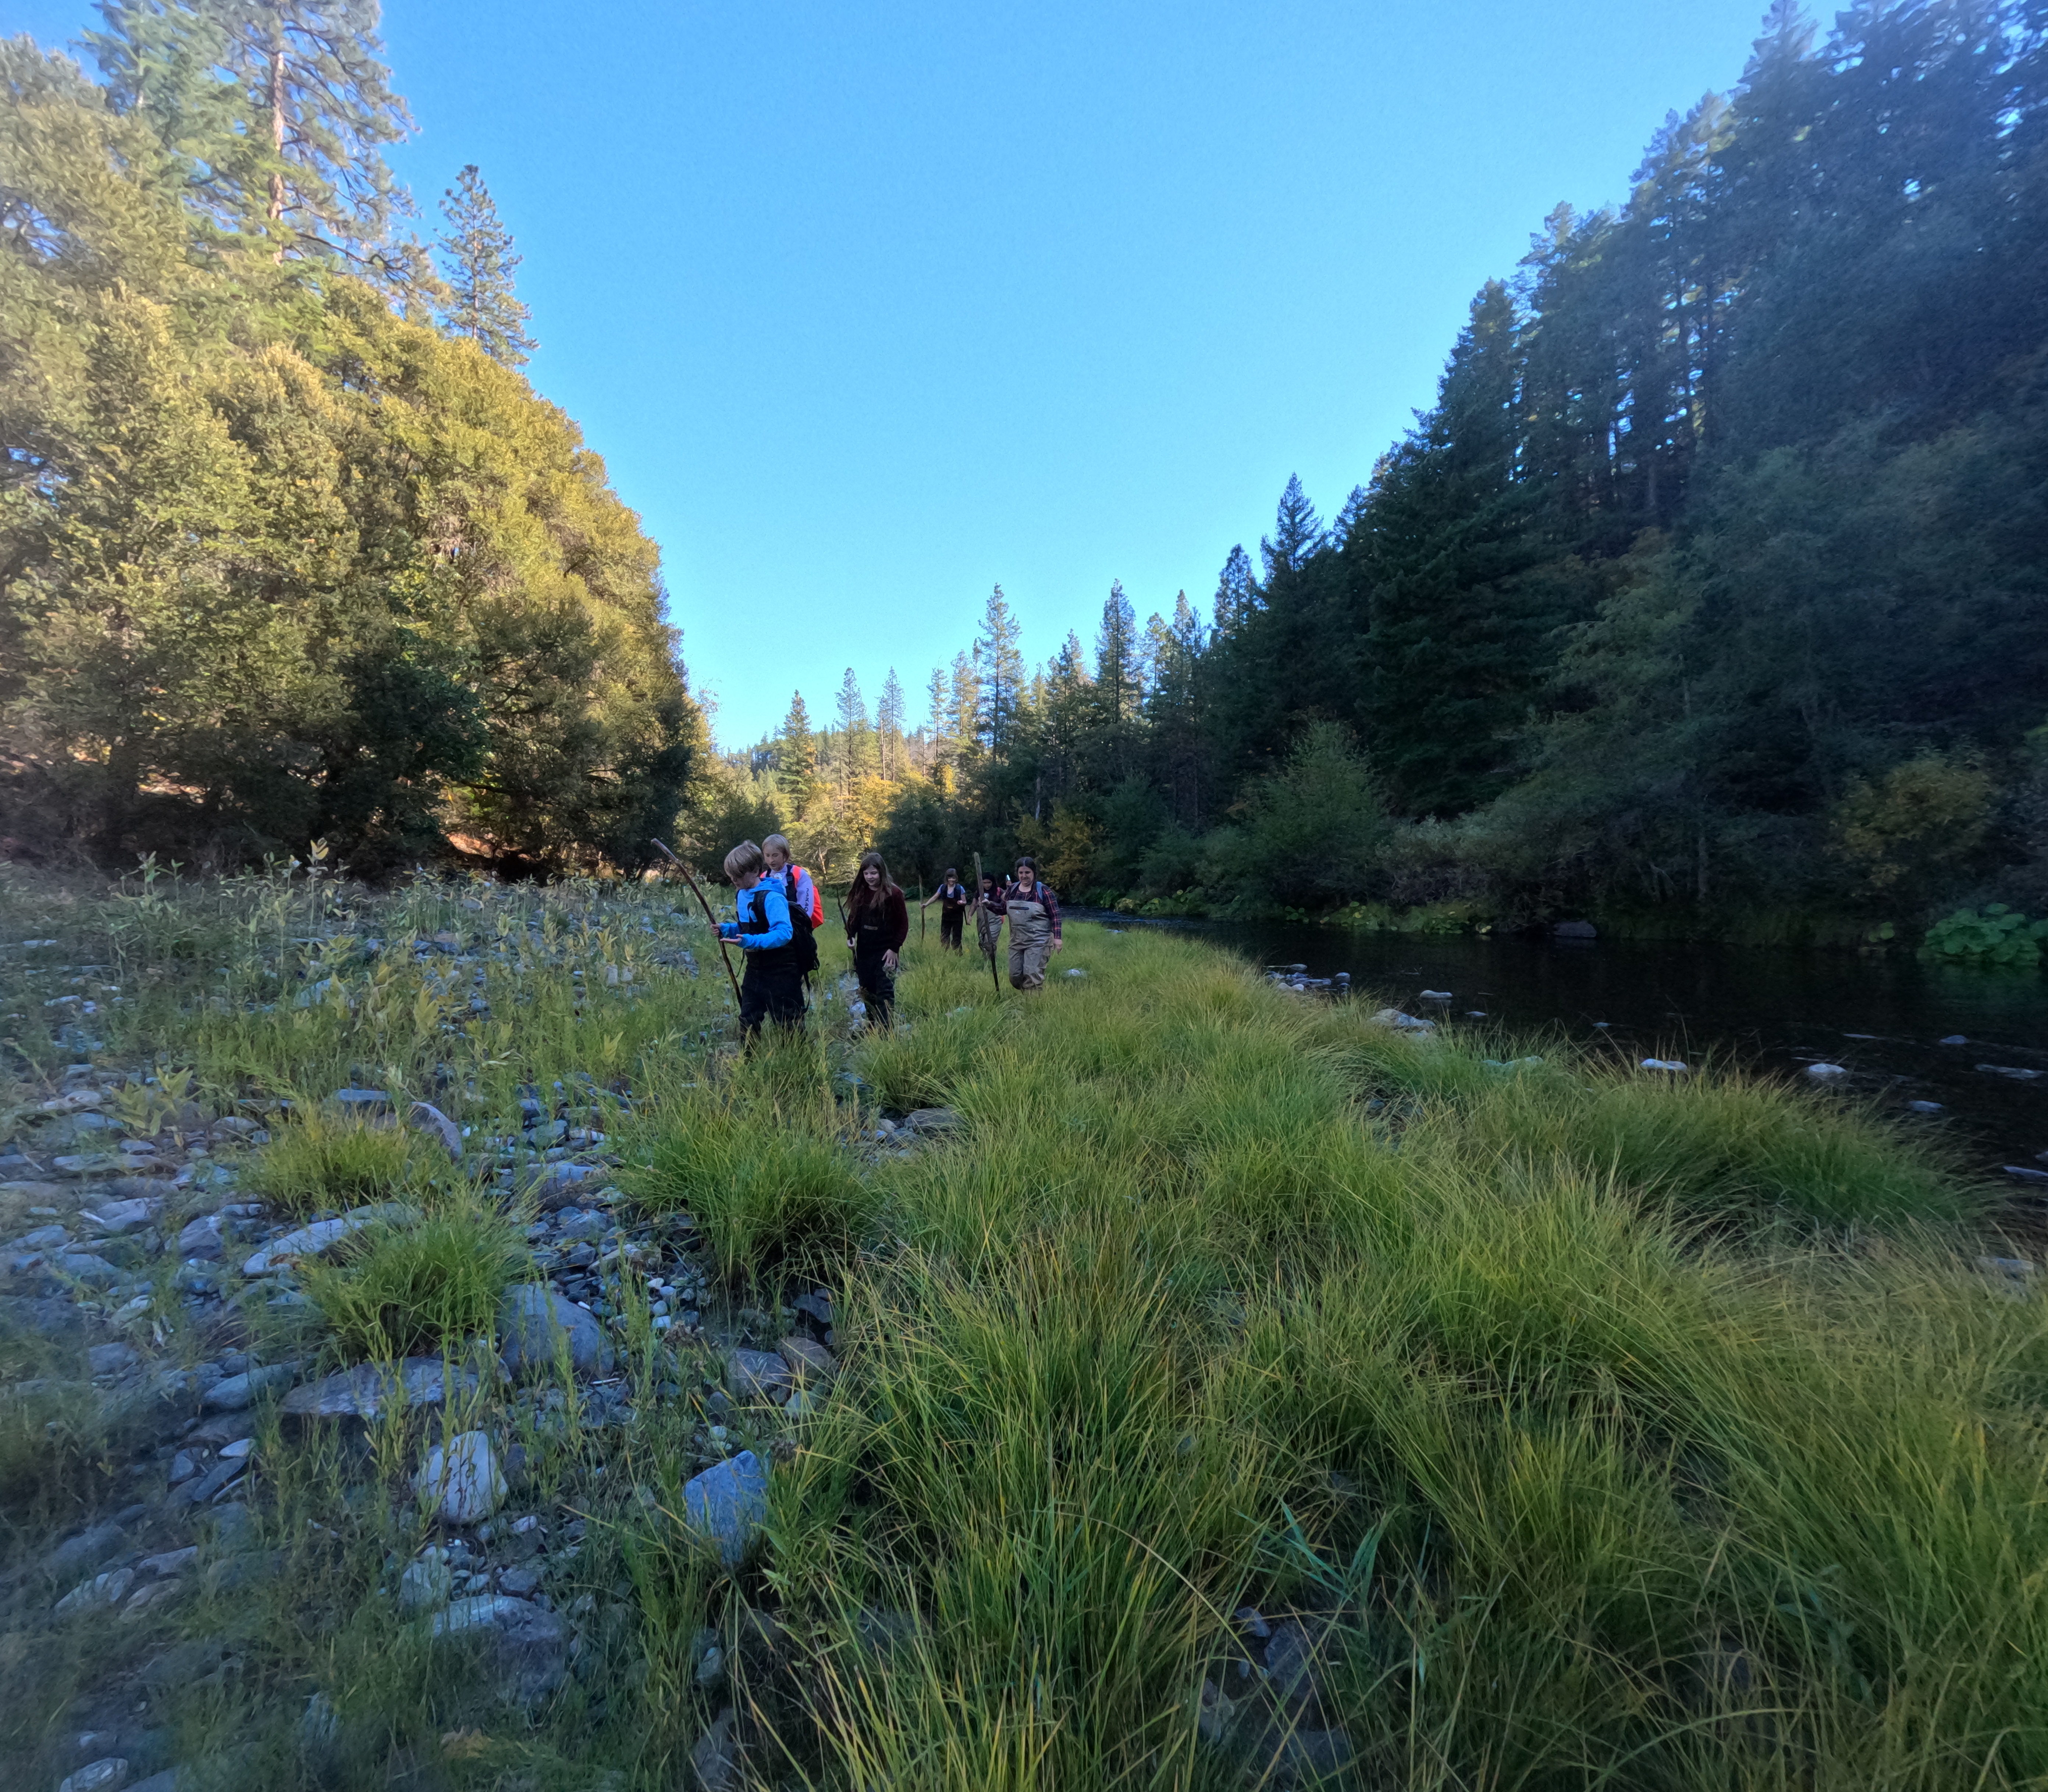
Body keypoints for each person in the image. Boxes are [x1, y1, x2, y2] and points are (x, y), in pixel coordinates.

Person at [717, 840, 803, 1038]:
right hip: (755, 969)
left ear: (755, 871)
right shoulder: (742, 894)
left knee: (788, 1021)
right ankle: (748, 1062)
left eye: (738, 876)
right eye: (731, 876)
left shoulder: (773, 898)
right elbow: (749, 927)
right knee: (748, 1018)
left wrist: (751, 942)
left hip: (782, 969)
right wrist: (727, 930)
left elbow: (784, 933)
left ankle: (797, 1061)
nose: (734, 881)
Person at [844, 848, 910, 1030]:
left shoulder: (894, 894)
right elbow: (854, 919)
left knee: (885, 991)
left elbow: (903, 923)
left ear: (882, 871)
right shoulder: (861, 893)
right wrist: (851, 936)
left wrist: (895, 948)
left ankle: (886, 1030)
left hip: (886, 951)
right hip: (865, 951)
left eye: (874, 873)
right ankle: (873, 1027)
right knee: (867, 990)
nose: (870, 877)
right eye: (866, 873)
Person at [761, 833, 824, 983]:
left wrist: (796, 927)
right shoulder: (764, 876)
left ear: (786, 855)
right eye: (768, 856)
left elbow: (806, 906)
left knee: (796, 972)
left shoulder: (799, 874)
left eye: (775, 855)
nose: (771, 860)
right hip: (773, 931)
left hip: (796, 931)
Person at [997, 855, 1061, 991]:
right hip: (1017, 941)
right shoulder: (1013, 890)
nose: (1024, 876)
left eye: (1028, 873)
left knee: (1032, 976)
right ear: (1017, 874)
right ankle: (1028, 994)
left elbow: (1055, 915)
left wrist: (1057, 938)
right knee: (1015, 978)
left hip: (1039, 941)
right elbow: (1003, 909)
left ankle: (1033, 1006)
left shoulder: (1043, 891)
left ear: (1034, 873)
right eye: (1021, 873)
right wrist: (987, 904)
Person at [921, 866, 970, 952]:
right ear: (947, 878)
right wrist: (926, 905)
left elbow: (965, 901)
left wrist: (962, 903)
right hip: (946, 916)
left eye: (953, 878)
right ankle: (944, 954)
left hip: (957, 917)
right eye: (950, 878)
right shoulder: (943, 888)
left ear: (956, 878)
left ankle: (958, 954)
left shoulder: (960, 888)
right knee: (944, 936)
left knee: (957, 937)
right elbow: (935, 897)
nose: (952, 880)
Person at [972, 868, 1004, 968]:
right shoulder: (979, 892)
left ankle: (992, 961)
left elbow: (1008, 902)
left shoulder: (999, 891)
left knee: (989, 941)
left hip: (995, 920)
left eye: (989, 882)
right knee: (982, 942)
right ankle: (986, 959)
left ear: (993, 882)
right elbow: (974, 905)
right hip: (981, 920)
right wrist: (969, 916)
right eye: (984, 883)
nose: (987, 885)